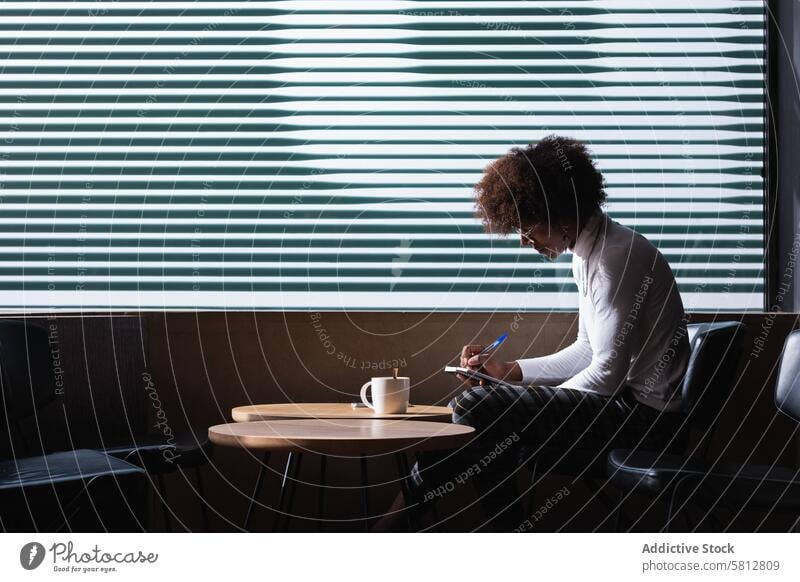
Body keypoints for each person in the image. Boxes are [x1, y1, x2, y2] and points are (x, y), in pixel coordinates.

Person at [375, 135, 691, 532]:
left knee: (480, 408)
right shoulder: (590, 253)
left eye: (528, 226)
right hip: (626, 406)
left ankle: (390, 526)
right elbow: (587, 350)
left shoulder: (614, 260)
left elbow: (607, 374)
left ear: (559, 210)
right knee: (487, 418)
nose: (525, 240)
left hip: (646, 421)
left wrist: (516, 398)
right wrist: (507, 372)